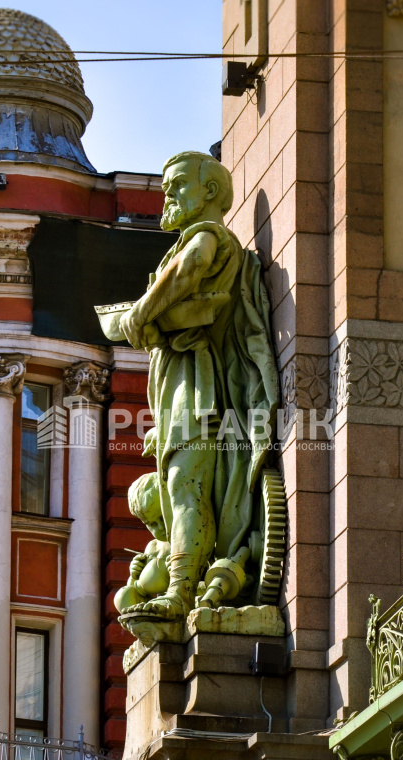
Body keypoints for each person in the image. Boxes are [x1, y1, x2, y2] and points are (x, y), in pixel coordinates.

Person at [116, 151, 279, 621]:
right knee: (175, 490)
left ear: (209, 192)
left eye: (178, 184)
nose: (167, 194)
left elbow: (188, 269)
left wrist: (141, 312)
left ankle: (181, 591)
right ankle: (189, 578)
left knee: (182, 487)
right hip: (182, 391)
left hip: (198, 390)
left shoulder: (207, 238)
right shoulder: (195, 242)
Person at [113, 473, 170, 613]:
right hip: (161, 608)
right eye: (152, 524)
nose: (161, 528)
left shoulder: (191, 538)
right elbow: (141, 593)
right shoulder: (153, 548)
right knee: (123, 597)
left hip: (183, 601)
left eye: (163, 518)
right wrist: (135, 575)